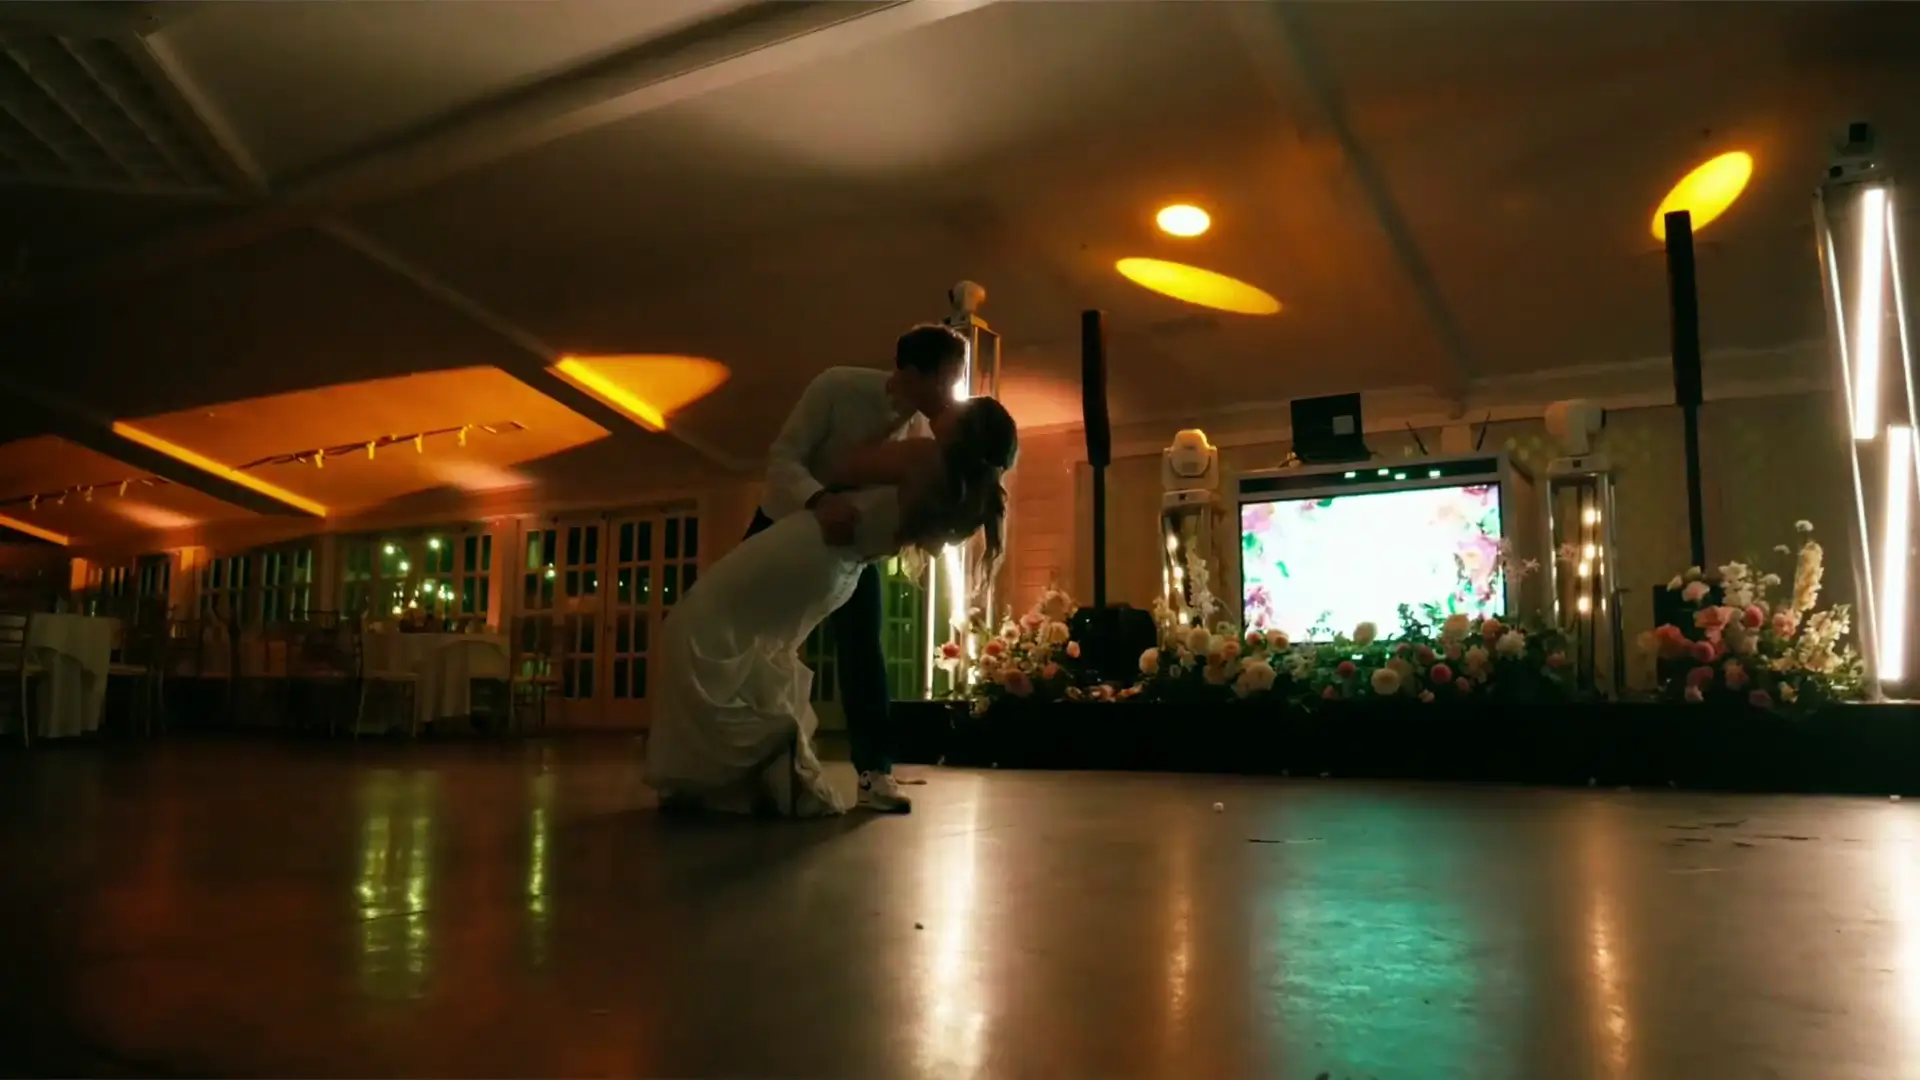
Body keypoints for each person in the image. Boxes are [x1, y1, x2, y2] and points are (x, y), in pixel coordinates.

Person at [643, 332, 1015, 816]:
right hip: (790, 517)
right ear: (910, 373)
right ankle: (735, 767)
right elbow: (783, 459)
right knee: (741, 635)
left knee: (862, 646)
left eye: (955, 380)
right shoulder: (838, 387)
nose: (951, 390)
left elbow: (880, 484)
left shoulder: (929, 441)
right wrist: (819, 502)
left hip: (849, 546)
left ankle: (872, 771)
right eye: (946, 378)